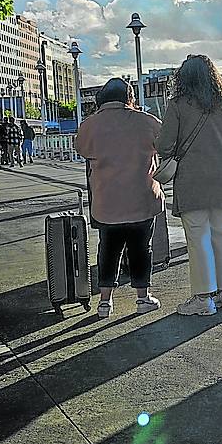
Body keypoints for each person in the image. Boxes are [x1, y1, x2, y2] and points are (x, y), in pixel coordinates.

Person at [158, 55, 222, 315]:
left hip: (192, 180)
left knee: (198, 238)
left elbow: (164, 145)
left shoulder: (178, 104)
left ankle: (203, 298)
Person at [75, 78, 164, 319]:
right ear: (129, 97)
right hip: (142, 198)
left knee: (108, 249)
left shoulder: (90, 125)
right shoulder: (147, 121)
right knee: (141, 248)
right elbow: (165, 144)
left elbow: (81, 149)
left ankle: (105, 303)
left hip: (106, 200)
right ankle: (143, 298)